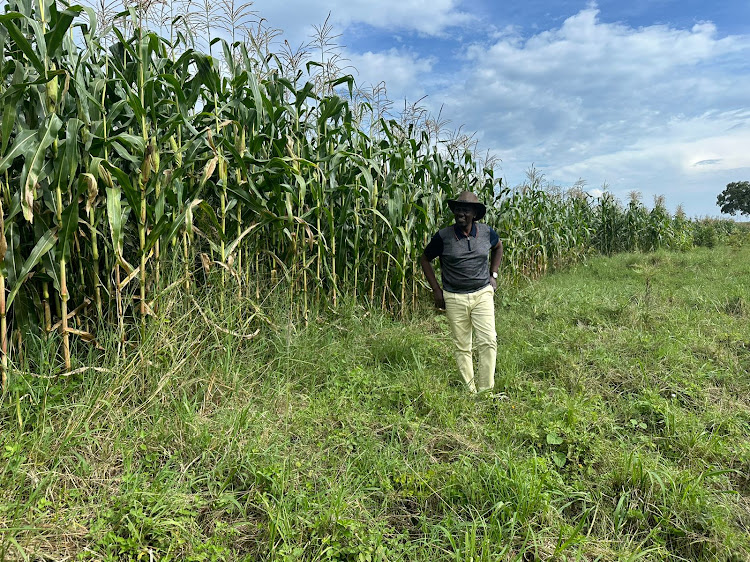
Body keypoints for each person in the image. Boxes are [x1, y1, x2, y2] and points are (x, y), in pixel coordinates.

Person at [420, 191, 503, 394]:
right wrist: (436, 290)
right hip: (454, 297)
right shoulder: (443, 237)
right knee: (462, 345)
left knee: (488, 341)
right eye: (458, 209)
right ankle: (469, 391)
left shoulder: (486, 232)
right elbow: (424, 259)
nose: (461, 213)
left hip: (482, 293)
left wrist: (493, 274)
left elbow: (498, 247)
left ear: (474, 213)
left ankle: (485, 390)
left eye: (466, 209)